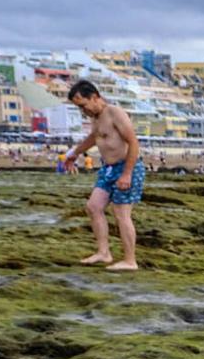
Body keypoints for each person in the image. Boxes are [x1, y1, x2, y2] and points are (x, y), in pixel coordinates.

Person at [60, 79, 144, 270]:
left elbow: (133, 142)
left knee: (121, 213)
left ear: (95, 97)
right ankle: (103, 253)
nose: (84, 111)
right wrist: (74, 154)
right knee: (93, 206)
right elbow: (93, 138)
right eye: (79, 108)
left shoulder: (115, 113)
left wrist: (127, 174)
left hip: (126, 167)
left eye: (84, 105)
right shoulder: (95, 118)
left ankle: (130, 261)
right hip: (107, 169)